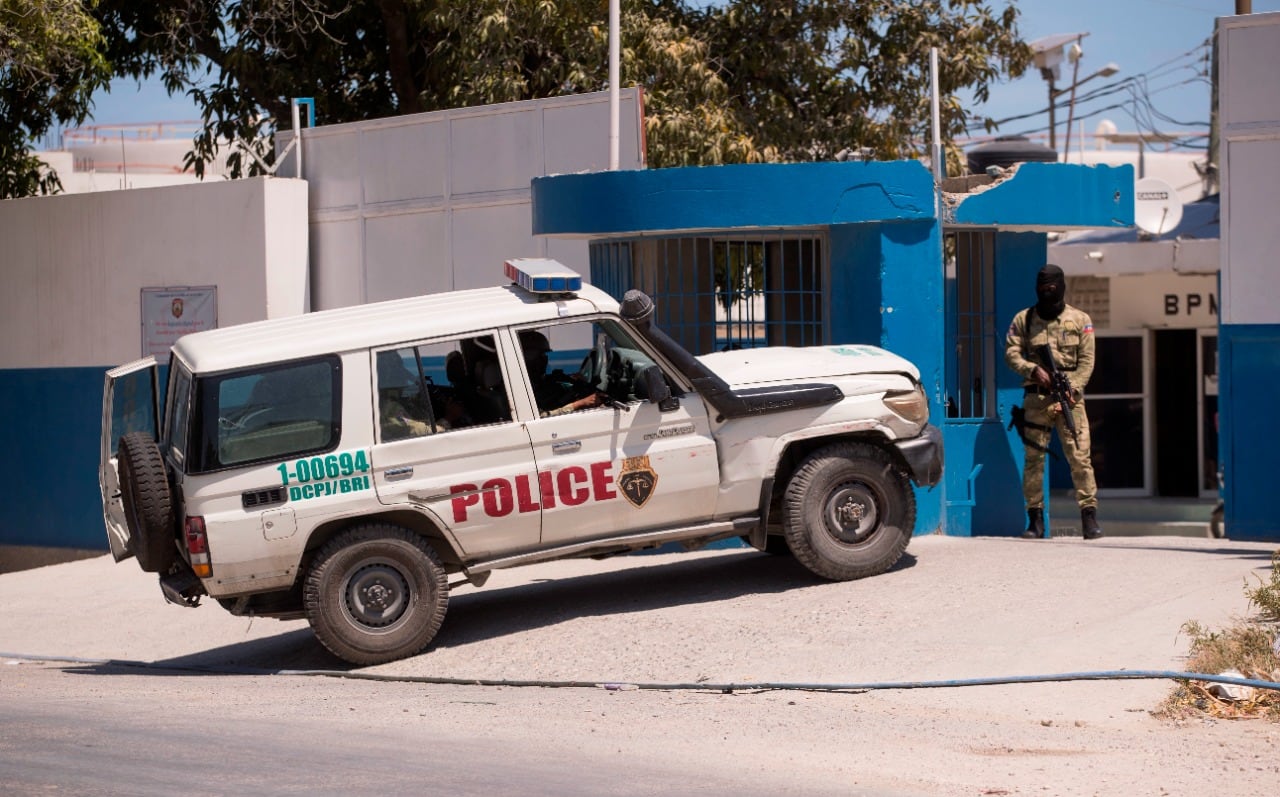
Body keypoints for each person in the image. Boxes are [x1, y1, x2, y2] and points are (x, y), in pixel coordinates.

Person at [1004, 264, 1102, 540]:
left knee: (1080, 458)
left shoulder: (1080, 319)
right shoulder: (1024, 319)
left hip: (1070, 399)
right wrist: (1033, 370)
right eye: (1043, 288)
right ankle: (1035, 520)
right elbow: (1011, 353)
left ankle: (1089, 517)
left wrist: (1073, 388)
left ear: (1061, 287)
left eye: (1052, 287)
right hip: (1037, 399)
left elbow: (1087, 361)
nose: (1047, 292)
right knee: (1034, 460)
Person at [519, 330, 604, 417]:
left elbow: (546, 383)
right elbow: (542, 416)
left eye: (544, 355)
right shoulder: (522, 386)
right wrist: (579, 404)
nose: (544, 358)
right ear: (527, 357)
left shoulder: (533, 379)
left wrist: (570, 379)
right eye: (541, 355)